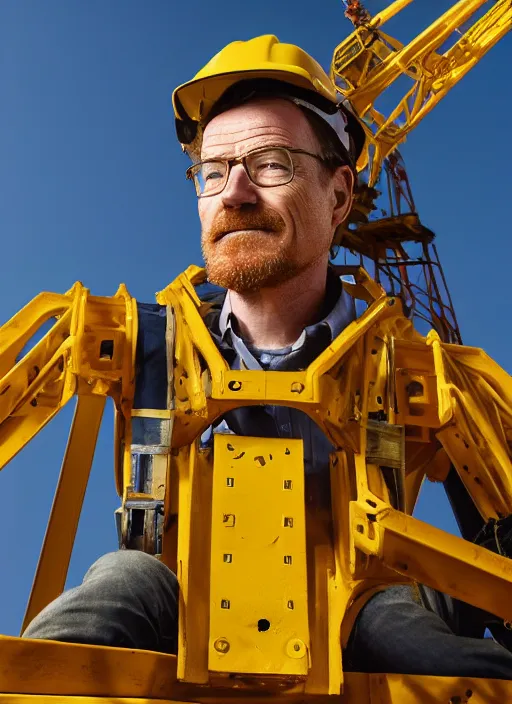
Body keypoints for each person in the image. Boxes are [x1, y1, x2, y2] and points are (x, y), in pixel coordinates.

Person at [22, 35, 512, 679]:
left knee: (432, 647)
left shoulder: (424, 374)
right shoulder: (127, 339)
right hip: (173, 598)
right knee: (108, 598)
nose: (235, 193)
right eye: (215, 171)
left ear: (339, 197)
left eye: (272, 164)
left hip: (370, 596)